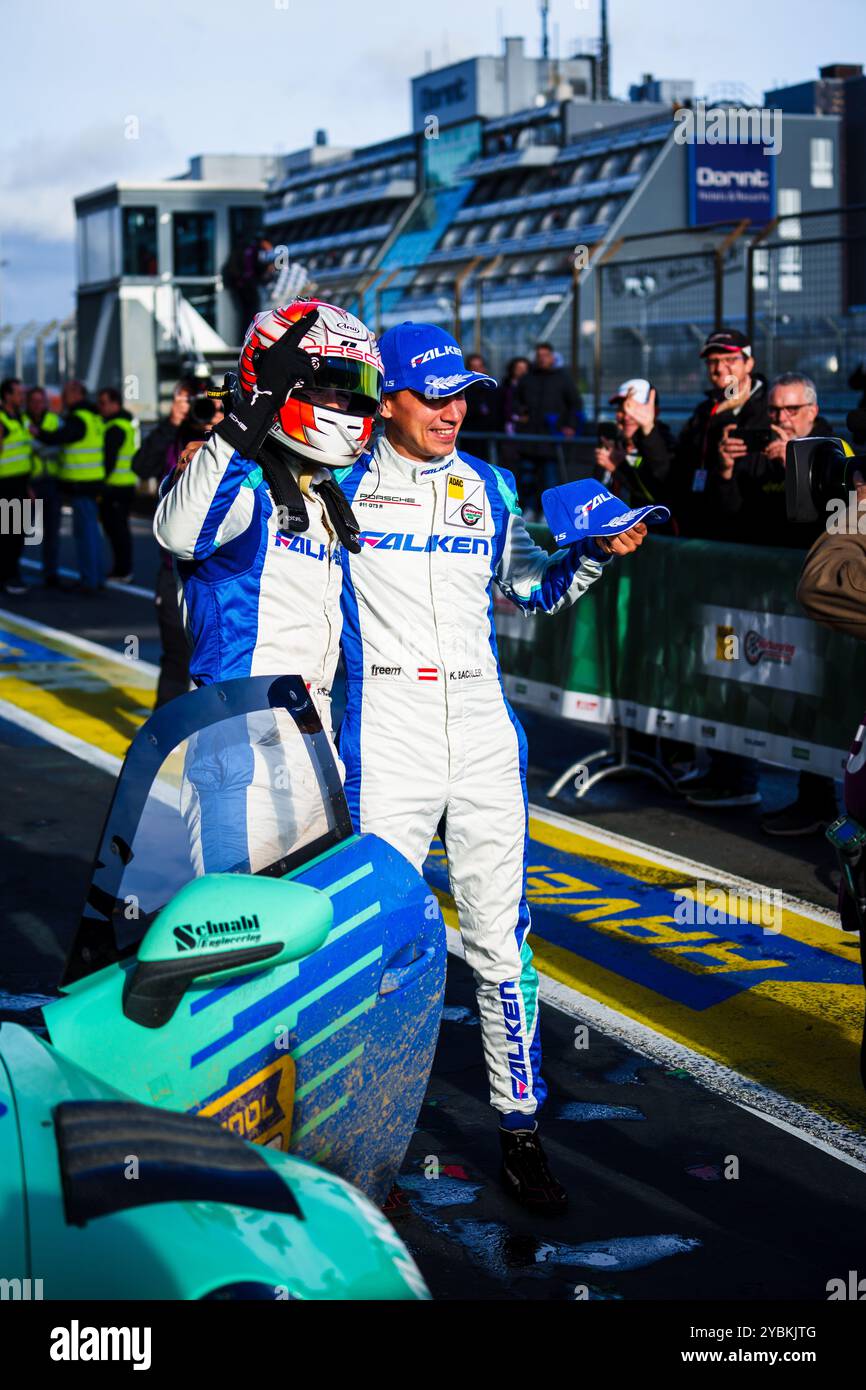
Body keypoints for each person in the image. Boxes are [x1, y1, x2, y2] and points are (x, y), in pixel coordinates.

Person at [334, 321, 647, 1213]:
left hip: (479, 724)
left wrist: (592, 553)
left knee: (500, 942)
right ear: (386, 399)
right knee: (378, 942)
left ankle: (520, 1132)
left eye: (461, 392)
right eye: (432, 396)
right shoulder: (339, 483)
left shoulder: (493, 486)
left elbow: (531, 591)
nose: (452, 411)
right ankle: (363, 1139)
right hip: (383, 726)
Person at [154, 299, 382, 869]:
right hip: (238, 749)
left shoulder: (330, 492)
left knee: (310, 937)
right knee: (239, 937)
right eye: (330, 388)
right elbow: (179, 533)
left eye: (355, 393)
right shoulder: (237, 482)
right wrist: (244, 417)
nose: (345, 405)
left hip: (316, 743)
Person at [133, 377, 204, 707]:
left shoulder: (238, 442)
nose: (206, 413)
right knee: (176, 655)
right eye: (194, 403)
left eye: (216, 406)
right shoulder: (173, 438)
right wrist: (172, 422)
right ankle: (162, 737)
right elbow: (142, 466)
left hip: (228, 570)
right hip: (173, 568)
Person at [672, 328, 770, 541]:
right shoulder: (703, 412)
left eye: (730, 359)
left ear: (749, 363)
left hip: (753, 531)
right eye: (712, 361)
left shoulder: (772, 409)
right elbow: (680, 467)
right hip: (704, 530)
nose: (719, 368)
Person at [34, 380, 105, 594]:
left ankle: (89, 580)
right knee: (92, 533)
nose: (63, 398)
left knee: (85, 534)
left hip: (80, 483)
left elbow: (61, 438)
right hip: (91, 481)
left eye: (65, 393)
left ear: (76, 394)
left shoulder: (78, 418)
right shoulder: (93, 416)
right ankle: (95, 577)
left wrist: (39, 434)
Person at [514, 341, 583, 517]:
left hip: (552, 439)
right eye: (539, 356)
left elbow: (575, 404)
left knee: (550, 479)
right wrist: (520, 414)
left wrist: (570, 426)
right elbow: (515, 400)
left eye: (546, 355)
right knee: (527, 478)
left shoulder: (563, 378)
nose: (542, 359)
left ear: (552, 357)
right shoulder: (527, 379)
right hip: (529, 439)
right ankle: (529, 509)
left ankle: (548, 514)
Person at [594, 379, 674, 517]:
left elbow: (661, 494)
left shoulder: (665, 445)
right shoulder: (614, 443)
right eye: (621, 408)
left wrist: (619, 467)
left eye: (634, 408)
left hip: (651, 533)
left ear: (654, 412)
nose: (626, 416)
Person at [97, 387, 140, 582]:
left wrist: (99, 482)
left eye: (104, 403)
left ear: (115, 403)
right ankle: (123, 568)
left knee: (117, 530)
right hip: (126, 484)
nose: (101, 407)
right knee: (120, 529)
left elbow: (109, 460)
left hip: (115, 486)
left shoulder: (115, 427)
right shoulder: (124, 423)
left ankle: (122, 570)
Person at [0, 377, 33, 595]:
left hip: (21, 483)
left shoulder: (20, 418)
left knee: (19, 533)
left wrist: (29, 487)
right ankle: (8, 576)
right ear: (7, 396)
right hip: (5, 485)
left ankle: (12, 573)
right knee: (8, 534)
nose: (22, 397)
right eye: (18, 393)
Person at [26, 386, 61, 587]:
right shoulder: (20, 422)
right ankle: (8, 572)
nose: (38, 405)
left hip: (51, 483)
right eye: (34, 401)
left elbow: (60, 446)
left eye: (41, 401)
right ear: (27, 403)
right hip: (25, 483)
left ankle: (51, 573)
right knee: (12, 530)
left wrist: (38, 446)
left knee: (51, 532)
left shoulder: (55, 421)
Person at [462, 352, 496, 460]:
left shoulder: (493, 389)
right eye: (473, 367)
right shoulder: (462, 391)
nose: (477, 371)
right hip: (468, 436)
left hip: (489, 436)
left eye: (479, 367)